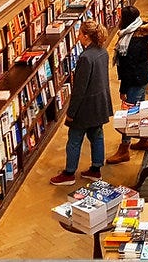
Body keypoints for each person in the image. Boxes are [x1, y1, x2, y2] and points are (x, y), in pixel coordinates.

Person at [50, 20, 113, 186]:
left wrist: (71, 113)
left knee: (74, 139)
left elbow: (79, 89)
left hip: (85, 108)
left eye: (79, 34)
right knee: (97, 135)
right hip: (99, 104)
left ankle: (69, 173)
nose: (78, 37)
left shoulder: (85, 58)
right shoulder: (102, 52)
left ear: (86, 36)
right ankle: (95, 169)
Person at [107, 6, 148, 163]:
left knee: (129, 115)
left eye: (120, 17)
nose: (118, 20)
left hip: (135, 81)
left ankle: (124, 149)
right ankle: (144, 140)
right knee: (141, 109)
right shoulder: (141, 32)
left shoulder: (129, 42)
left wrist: (123, 89)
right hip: (143, 77)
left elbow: (128, 69)